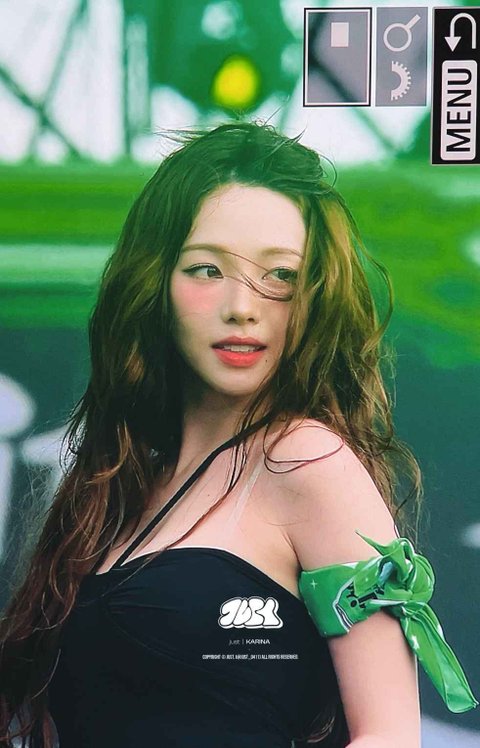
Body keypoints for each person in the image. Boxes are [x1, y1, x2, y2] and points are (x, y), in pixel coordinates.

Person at [0, 121, 476, 748]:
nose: (243, 307)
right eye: (206, 269)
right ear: (155, 280)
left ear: (314, 296)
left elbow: (388, 736)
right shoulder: (121, 487)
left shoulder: (304, 459)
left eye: (280, 275)